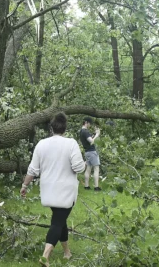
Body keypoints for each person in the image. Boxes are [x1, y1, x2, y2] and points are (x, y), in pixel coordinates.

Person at [20, 113, 86, 264]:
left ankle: (67, 253)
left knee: (59, 220)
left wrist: (25, 185)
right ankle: (45, 256)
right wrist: (85, 164)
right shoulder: (71, 144)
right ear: (65, 128)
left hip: (48, 191)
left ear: (51, 127)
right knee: (57, 222)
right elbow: (78, 167)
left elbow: (32, 170)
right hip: (66, 191)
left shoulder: (41, 144)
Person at [79, 117, 101, 191]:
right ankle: (96, 187)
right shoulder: (85, 131)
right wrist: (97, 135)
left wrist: (94, 134)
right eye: (89, 123)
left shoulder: (81, 131)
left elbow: (88, 139)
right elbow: (91, 141)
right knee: (96, 168)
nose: (90, 125)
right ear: (86, 122)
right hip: (92, 152)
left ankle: (86, 186)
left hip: (87, 152)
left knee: (88, 168)